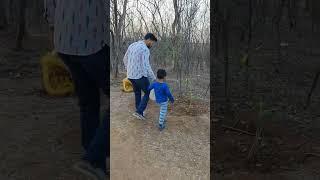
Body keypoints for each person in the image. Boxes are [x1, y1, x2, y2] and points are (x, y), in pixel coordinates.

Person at [44, 0, 109, 179]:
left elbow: (49, 5)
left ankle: (95, 167)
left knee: (89, 103)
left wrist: (55, 36)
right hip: (93, 40)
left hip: (65, 41)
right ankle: (93, 159)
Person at [123, 33, 157, 120]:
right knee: (147, 92)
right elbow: (146, 65)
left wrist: (129, 69)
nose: (152, 45)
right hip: (139, 76)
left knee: (137, 92)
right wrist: (153, 77)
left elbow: (125, 59)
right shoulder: (145, 49)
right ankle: (139, 112)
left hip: (130, 75)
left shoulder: (133, 45)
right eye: (152, 42)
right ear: (149, 39)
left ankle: (139, 111)